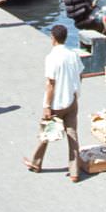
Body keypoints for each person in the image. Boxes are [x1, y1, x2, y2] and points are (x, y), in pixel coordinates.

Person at [23, 24, 84, 182]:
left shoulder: (51, 58)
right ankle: (74, 171)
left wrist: (47, 106)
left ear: (53, 38)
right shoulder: (73, 55)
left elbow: (51, 84)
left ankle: (36, 163)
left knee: (46, 133)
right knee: (72, 135)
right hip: (71, 100)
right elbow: (80, 73)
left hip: (56, 103)